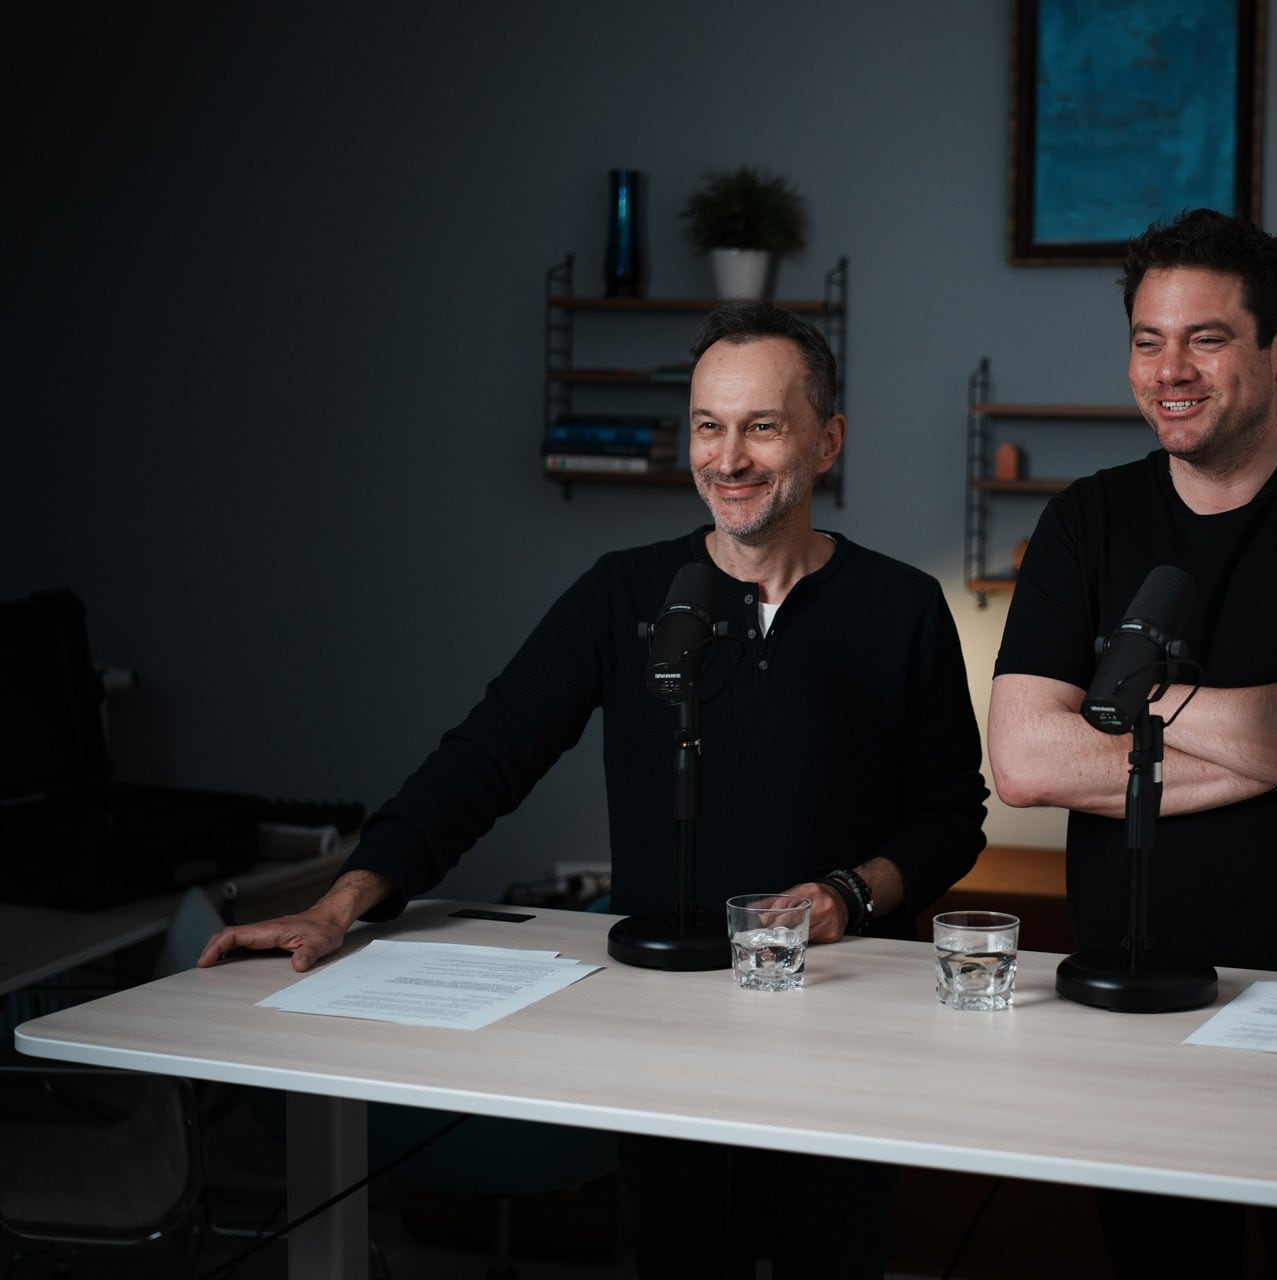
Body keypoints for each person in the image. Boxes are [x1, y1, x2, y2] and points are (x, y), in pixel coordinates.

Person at [199, 301, 990, 1279]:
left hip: (846, 1012)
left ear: (826, 441)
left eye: (761, 426)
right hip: (665, 1020)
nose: (728, 458)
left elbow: (951, 815)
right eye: (707, 426)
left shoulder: (901, 605)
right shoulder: (624, 593)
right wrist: (339, 903)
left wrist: (849, 894)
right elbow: (487, 756)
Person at [986, 208, 1277, 1279]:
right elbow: (1024, 761)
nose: (1171, 371)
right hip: (1135, 998)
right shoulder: (1086, 521)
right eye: (1148, 340)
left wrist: (1145, 705)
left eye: (1207, 338)